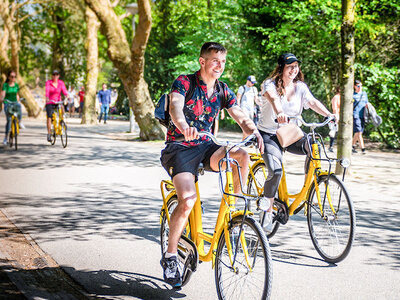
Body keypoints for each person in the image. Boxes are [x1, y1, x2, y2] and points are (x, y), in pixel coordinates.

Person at [159, 42, 263, 288]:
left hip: (207, 146)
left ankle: (235, 214)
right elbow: (176, 107)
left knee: (241, 156)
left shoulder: (223, 90)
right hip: (180, 147)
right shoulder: (184, 82)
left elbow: (240, 115)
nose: (220, 65)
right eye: (215, 60)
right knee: (188, 200)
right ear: (202, 61)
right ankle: (171, 256)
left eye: (223, 61)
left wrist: (253, 131)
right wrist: (184, 127)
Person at [258, 53, 335, 230]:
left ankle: (310, 186)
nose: (294, 69)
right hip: (269, 135)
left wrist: (329, 115)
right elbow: (273, 98)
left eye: (296, 66)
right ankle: (267, 211)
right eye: (290, 66)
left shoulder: (300, 87)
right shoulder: (269, 84)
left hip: (291, 133)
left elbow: (313, 102)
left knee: (313, 144)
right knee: (276, 171)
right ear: (281, 68)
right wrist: (279, 112)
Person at [1, 70, 24, 145]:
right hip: (7, 103)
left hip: (14, 103)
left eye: (15, 77)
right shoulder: (5, 85)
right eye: (12, 76)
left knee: (19, 106)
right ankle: (5, 137)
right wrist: (2, 99)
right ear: (9, 77)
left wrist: (18, 100)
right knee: (9, 120)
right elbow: (3, 94)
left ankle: (20, 122)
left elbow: (17, 94)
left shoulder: (16, 85)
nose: (13, 78)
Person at [45, 70, 68, 142]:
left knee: (62, 110)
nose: (55, 76)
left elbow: (64, 91)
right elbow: (47, 91)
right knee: (49, 117)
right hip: (50, 102)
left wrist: (67, 97)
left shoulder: (61, 83)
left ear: (59, 76)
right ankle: (49, 133)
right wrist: (47, 98)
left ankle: (62, 122)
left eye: (56, 74)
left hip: (58, 101)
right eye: (54, 75)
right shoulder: (48, 83)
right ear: (52, 76)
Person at [352, 80, 368, 154]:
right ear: (355, 86)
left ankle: (352, 146)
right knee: (359, 132)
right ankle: (363, 148)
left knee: (358, 132)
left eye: (361, 86)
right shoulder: (352, 95)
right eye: (358, 86)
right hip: (355, 115)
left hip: (363, 115)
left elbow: (366, 103)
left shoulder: (364, 94)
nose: (360, 87)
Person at [328, 87, 340, 152]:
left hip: (342, 116)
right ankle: (331, 146)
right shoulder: (336, 97)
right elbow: (334, 108)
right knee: (334, 131)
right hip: (336, 116)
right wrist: (336, 116)